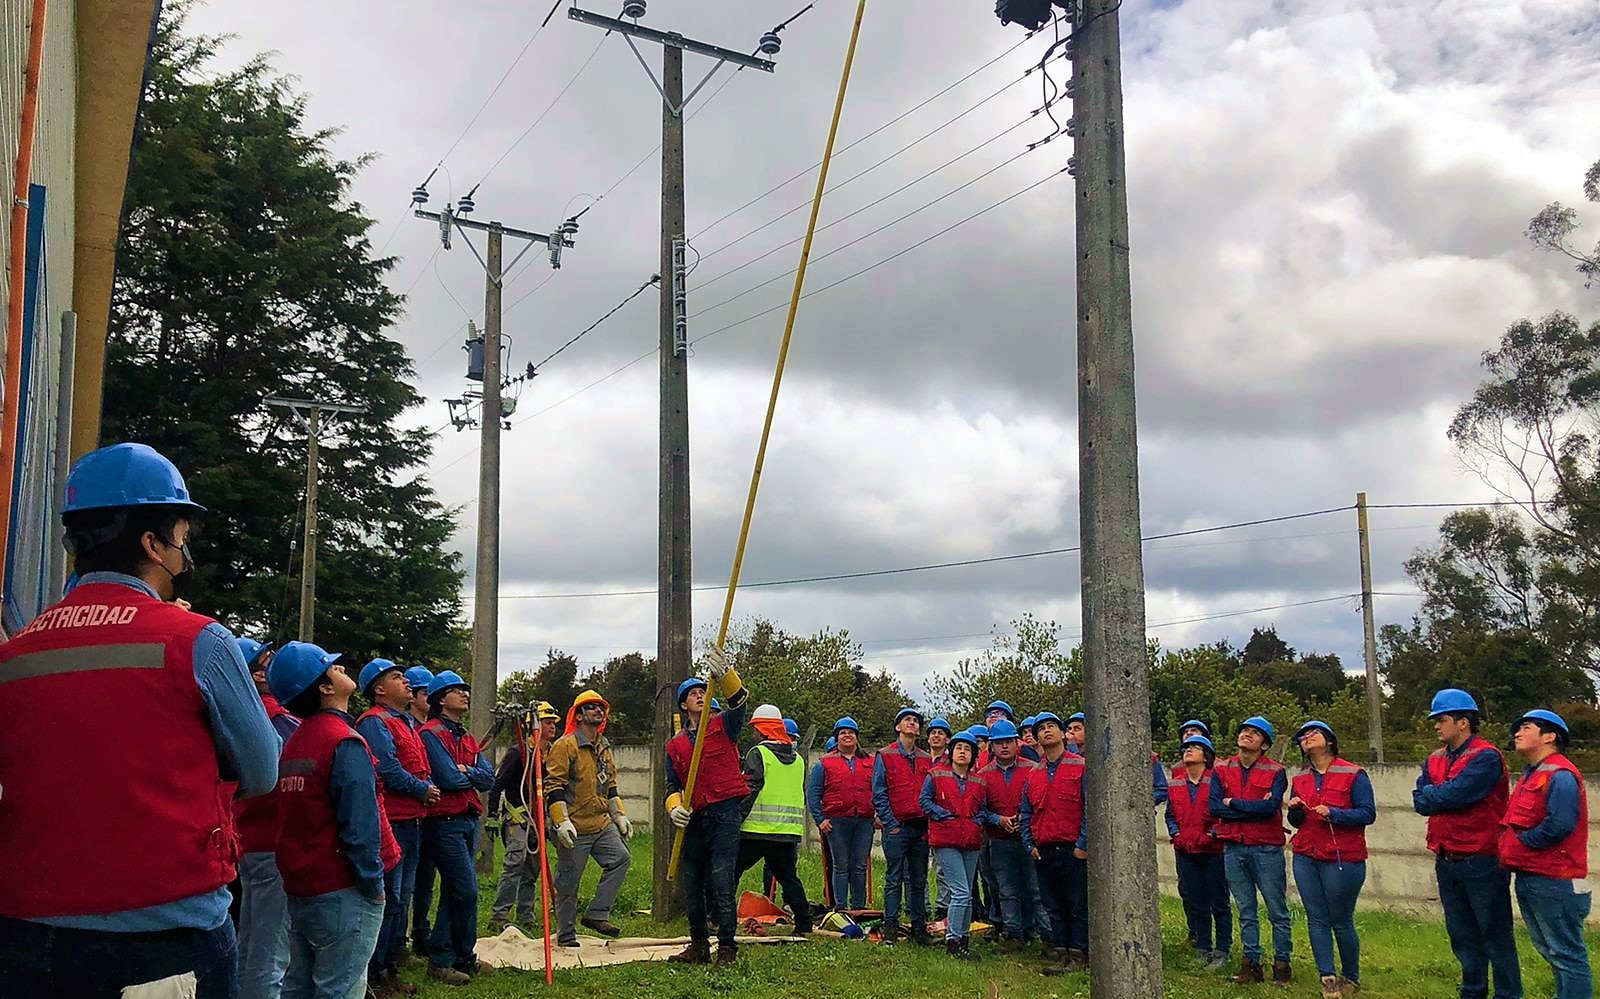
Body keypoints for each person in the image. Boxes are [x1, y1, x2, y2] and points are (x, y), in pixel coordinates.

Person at [0, 442, 279, 998]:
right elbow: (263, 771)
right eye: (181, 536)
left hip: (25, 939)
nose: (183, 552)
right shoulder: (200, 641)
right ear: (153, 543)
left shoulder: (16, 652)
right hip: (164, 937)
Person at [268, 641, 400, 999]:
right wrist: (373, 887)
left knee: (298, 986)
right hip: (343, 890)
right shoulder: (344, 741)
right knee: (339, 990)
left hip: (302, 886)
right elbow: (359, 828)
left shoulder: (296, 741)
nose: (342, 669)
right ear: (325, 688)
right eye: (333, 667)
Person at [1411, 688, 1521, 999]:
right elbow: (1421, 800)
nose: (1436, 726)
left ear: (1463, 722)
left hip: (1482, 859)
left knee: (1494, 933)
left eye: (1441, 719)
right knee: (1461, 934)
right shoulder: (1434, 759)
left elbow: (1459, 794)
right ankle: (1473, 991)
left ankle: (1507, 994)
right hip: (1446, 858)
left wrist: (1438, 796)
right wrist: (1440, 796)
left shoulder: (1486, 757)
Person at [355, 658, 438, 996]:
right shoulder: (375, 723)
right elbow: (387, 769)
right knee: (389, 900)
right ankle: (375, 974)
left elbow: (419, 764)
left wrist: (426, 784)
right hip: (392, 822)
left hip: (412, 821)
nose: (406, 681)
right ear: (379, 689)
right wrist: (423, 789)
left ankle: (389, 966)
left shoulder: (404, 723)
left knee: (400, 900)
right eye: (396, 677)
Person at [663, 649, 749, 966]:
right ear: (684, 705)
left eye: (702, 691)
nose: (699, 696)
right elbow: (671, 785)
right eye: (693, 694)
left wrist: (726, 674)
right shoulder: (674, 746)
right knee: (693, 883)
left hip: (725, 815)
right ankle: (698, 945)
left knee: (722, 881)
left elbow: (739, 702)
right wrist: (674, 809)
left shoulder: (724, 726)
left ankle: (726, 947)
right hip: (694, 818)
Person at [1501, 709, 1590, 999]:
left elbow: (1560, 823)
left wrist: (1523, 843)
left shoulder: (1560, 774)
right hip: (1532, 875)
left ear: (1550, 736)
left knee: (1567, 954)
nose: (1517, 732)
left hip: (1554, 878)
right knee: (1552, 951)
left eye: (1526, 727)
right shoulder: (1533, 774)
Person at [231, 638, 301, 999]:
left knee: (252, 942)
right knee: (272, 953)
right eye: (261, 662)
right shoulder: (272, 716)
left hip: (250, 839)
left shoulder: (237, 711)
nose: (267, 666)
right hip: (272, 839)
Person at [1286, 721, 1375, 998]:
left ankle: (1351, 976)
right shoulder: (1300, 780)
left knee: (1340, 918)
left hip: (1342, 857)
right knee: (1316, 917)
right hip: (1306, 855)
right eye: (1302, 736)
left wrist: (1335, 813)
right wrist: (1296, 810)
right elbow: (1295, 822)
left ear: (1330, 741)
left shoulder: (1353, 774)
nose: (1306, 737)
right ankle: (1327, 977)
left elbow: (1367, 813)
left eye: (1313, 733)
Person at [419, 669, 494, 984]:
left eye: (465, 688)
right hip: (445, 821)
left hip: (467, 818)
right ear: (440, 699)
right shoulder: (431, 734)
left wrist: (466, 770)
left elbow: (489, 778)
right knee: (465, 889)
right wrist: (468, 772)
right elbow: (448, 778)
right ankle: (444, 956)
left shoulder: (466, 736)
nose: (465, 693)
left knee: (456, 890)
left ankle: (458, 957)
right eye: (456, 689)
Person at [546, 689, 633, 947]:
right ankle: (566, 935)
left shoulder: (603, 746)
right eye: (592, 707)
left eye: (601, 707)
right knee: (568, 882)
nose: (599, 710)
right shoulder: (565, 746)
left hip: (601, 823)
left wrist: (619, 815)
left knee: (621, 858)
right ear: (580, 715)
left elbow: (611, 785)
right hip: (574, 825)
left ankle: (597, 914)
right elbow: (554, 786)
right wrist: (561, 821)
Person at [1211, 715, 1292, 985]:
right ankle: (1251, 963)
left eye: (1255, 733)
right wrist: (1251, 807)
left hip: (1266, 848)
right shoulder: (1221, 769)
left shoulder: (1276, 771)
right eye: (1244, 730)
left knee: (1276, 909)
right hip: (1234, 847)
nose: (1247, 734)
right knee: (1245, 909)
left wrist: (1233, 803)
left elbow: (1270, 809)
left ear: (1265, 745)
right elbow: (1214, 808)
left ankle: (1282, 964)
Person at [736, 704, 813, 933]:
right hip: (786, 832)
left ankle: (717, 917)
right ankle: (804, 923)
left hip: (756, 830)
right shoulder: (798, 759)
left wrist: (736, 817)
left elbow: (751, 788)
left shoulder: (758, 753)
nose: (753, 733)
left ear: (762, 729)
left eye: (755, 728)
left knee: (731, 872)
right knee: (789, 878)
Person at [1022, 711, 1088, 974]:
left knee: (1077, 905)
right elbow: (1026, 811)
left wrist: (1083, 845)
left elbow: (1089, 809)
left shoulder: (1080, 766)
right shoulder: (1033, 773)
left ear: (1063, 734)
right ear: (1036, 737)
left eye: (1052, 726)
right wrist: (1030, 846)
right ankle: (1060, 952)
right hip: (1044, 850)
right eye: (1041, 729)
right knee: (1053, 904)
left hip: (1073, 849)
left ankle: (1079, 954)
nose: (1047, 731)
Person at [487, 700, 559, 935]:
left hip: (539, 819)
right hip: (517, 817)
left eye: (553, 722)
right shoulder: (518, 752)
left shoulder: (551, 754)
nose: (552, 726)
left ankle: (526, 915)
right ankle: (500, 915)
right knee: (514, 865)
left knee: (532, 870)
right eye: (547, 722)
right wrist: (492, 814)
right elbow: (498, 784)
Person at [978, 718, 1048, 952]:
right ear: (992, 747)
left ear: (1017, 743)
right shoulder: (984, 774)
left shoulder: (1032, 769)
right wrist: (999, 820)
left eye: (1009, 741)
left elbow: (1041, 803)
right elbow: (980, 810)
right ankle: (1013, 935)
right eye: (999, 743)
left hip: (1029, 840)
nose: (1005, 747)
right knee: (1006, 890)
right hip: (999, 840)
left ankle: (1046, 936)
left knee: (1036, 889)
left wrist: (1024, 823)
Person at [921, 727, 991, 962]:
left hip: (970, 841)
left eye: (967, 749)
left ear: (973, 755)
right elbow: (924, 801)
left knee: (967, 895)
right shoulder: (935, 775)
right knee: (960, 892)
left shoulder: (979, 781)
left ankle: (963, 939)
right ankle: (953, 940)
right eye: (959, 748)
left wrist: (977, 822)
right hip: (946, 840)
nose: (962, 752)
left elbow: (982, 809)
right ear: (951, 752)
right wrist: (943, 815)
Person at [1165, 733, 1230, 969]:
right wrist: (1176, 835)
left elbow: (1223, 815)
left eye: (1195, 747)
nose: (1188, 751)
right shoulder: (1175, 784)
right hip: (1186, 851)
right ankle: (1203, 947)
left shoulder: (1218, 782)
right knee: (1197, 901)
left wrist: (1212, 835)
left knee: (1219, 902)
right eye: (1185, 748)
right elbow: (1170, 815)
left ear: (1207, 755)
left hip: (1213, 851)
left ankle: (1222, 949)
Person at [872, 706, 935, 946]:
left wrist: (927, 824)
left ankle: (919, 928)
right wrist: (891, 823)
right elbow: (879, 792)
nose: (912, 724)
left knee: (919, 879)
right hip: (897, 828)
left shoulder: (925, 758)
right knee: (894, 878)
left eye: (916, 721)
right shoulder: (885, 755)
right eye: (907, 720)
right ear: (898, 727)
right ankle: (890, 928)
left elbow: (932, 793)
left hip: (920, 828)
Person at [807, 716, 875, 911]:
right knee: (840, 865)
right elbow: (813, 794)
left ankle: (859, 908)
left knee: (859, 866)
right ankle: (841, 907)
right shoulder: (824, 763)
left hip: (864, 821)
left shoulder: (870, 762)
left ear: (856, 737)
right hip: (837, 822)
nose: (847, 736)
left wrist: (877, 815)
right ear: (837, 738)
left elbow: (878, 790)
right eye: (843, 733)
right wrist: (820, 820)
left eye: (851, 732)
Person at [402, 666, 437, 959]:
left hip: (430, 814)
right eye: (426, 692)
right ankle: (398, 942)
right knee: (404, 884)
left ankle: (422, 932)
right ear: (413, 696)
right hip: (409, 812)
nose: (431, 698)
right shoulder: (406, 727)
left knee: (425, 879)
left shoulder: (432, 728)